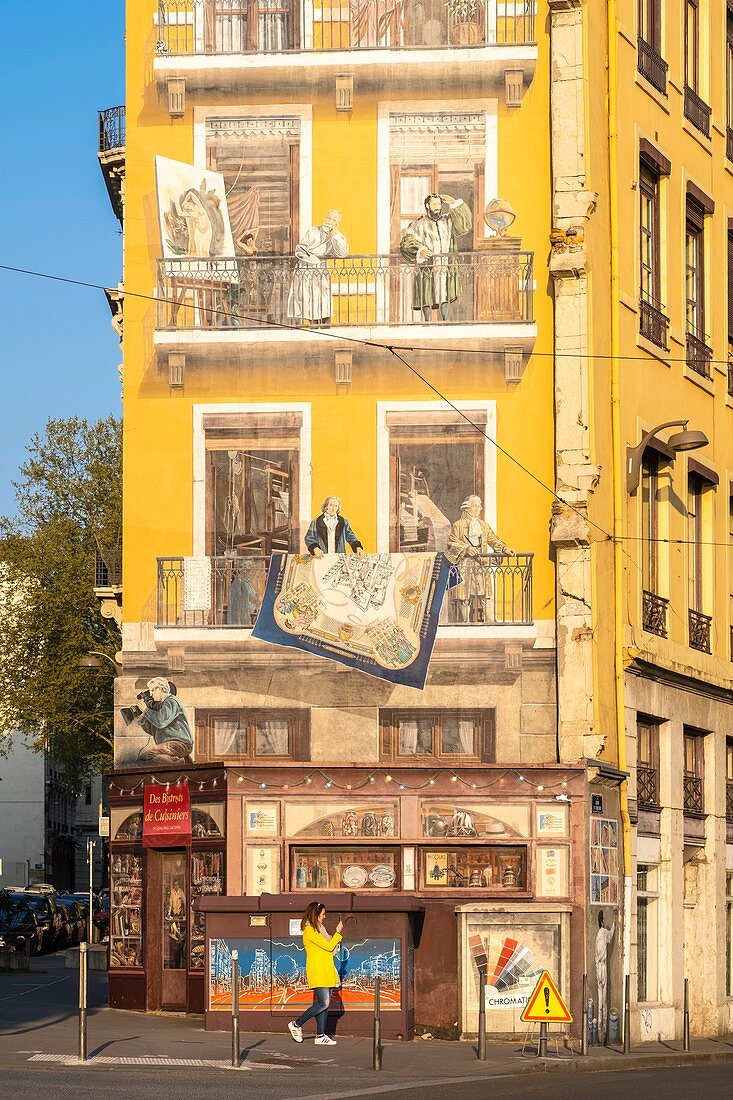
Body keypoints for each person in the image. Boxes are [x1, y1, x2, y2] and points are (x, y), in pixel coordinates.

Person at [399, 193, 473, 321]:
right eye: (434, 204)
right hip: (428, 265)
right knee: (427, 293)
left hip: (446, 264)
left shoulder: (448, 221)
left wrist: (454, 203)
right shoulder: (418, 224)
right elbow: (406, 243)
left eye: (439, 204)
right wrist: (420, 251)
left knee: (444, 293)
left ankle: (445, 320)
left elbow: (465, 225)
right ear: (427, 205)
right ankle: (427, 321)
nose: (437, 207)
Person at [445, 495, 515, 623]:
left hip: (481, 564)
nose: (479, 508)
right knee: (463, 597)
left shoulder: (483, 525)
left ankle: (491, 621)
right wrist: (466, 548)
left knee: (486, 595)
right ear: (467, 508)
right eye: (476, 506)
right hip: (464, 564)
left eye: (480, 506)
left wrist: (504, 548)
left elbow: (493, 539)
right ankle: (464, 623)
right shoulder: (457, 525)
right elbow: (452, 543)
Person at [288, 902, 343, 1045]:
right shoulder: (309, 930)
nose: (324, 917)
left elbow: (329, 950)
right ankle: (296, 1024)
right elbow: (328, 946)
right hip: (318, 971)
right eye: (323, 914)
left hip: (327, 970)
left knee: (324, 1003)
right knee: (323, 1003)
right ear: (316, 914)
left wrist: (333, 938)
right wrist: (338, 933)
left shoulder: (320, 930)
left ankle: (320, 1035)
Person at [287, 210, 349, 325]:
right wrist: (309, 257)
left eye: (333, 220)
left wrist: (334, 234)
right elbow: (300, 248)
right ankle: (313, 327)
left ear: (337, 223)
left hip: (321, 271)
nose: (330, 221)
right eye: (328, 218)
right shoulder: (313, 231)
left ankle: (325, 327)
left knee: (324, 302)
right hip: (306, 269)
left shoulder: (337, 236)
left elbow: (342, 253)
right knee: (309, 302)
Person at [136, 677, 194, 765]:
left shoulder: (171, 701)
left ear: (160, 688)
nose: (151, 694)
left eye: (152, 690)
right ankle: (178, 761)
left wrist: (146, 710)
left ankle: (178, 762)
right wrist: (142, 719)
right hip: (169, 745)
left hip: (180, 744)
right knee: (143, 759)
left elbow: (161, 722)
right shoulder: (161, 705)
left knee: (145, 758)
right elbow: (152, 730)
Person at [595, 909, 615, 1043]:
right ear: (602, 921)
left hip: (599, 968)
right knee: (602, 1001)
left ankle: (601, 1032)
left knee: (602, 1000)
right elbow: (609, 937)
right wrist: (614, 924)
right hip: (601, 968)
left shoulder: (599, 934)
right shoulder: (602, 933)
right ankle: (601, 1032)